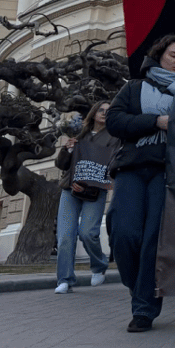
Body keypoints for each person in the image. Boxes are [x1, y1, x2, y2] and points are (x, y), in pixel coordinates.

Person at [106, 34, 175, 332]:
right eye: (173, 55)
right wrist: (154, 122)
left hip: (167, 171)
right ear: (160, 55)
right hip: (132, 167)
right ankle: (139, 287)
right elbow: (115, 122)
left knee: (152, 242)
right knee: (123, 233)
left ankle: (144, 308)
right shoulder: (133, 88)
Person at [54, 101, 118, 294]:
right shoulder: (79, 135)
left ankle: (99, 266)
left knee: (88, 233)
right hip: (70, 189)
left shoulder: (115, 138)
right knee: (65, 236)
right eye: (101, 110)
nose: (104, 114)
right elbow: (62, 165)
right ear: (93, 112)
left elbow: (113, 166)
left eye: (109, 111)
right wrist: (68, 149)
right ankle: (65, 279)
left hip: (95, 191)